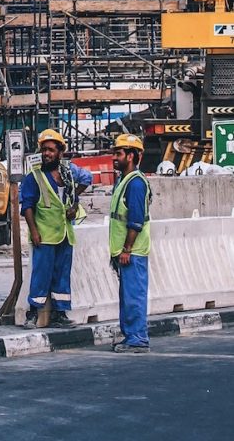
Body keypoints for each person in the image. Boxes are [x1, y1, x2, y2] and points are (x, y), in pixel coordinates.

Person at [20, 129, 93, 329]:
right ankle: (32, 313)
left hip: (65, 234)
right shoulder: (34, 176)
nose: (47, 154)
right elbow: (26, 206)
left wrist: (75, 201)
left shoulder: (68, 172)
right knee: (41, 275)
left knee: (62, 274)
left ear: (60, 152)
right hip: (44, 234)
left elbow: (87, 178)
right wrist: (34, 231)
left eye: (51, 150)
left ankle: (60, 313)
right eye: (44, 149)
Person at [109, 134, 152, 354]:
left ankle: (137, 339)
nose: (114, 157)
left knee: (134, 297)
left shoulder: (135, 184)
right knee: (128, 297)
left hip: (132, 252)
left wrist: (126, 249)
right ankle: (131, 336)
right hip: (125, 251)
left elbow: (135, 221)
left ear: (132, 156)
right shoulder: (124, 181)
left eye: (119, 153)